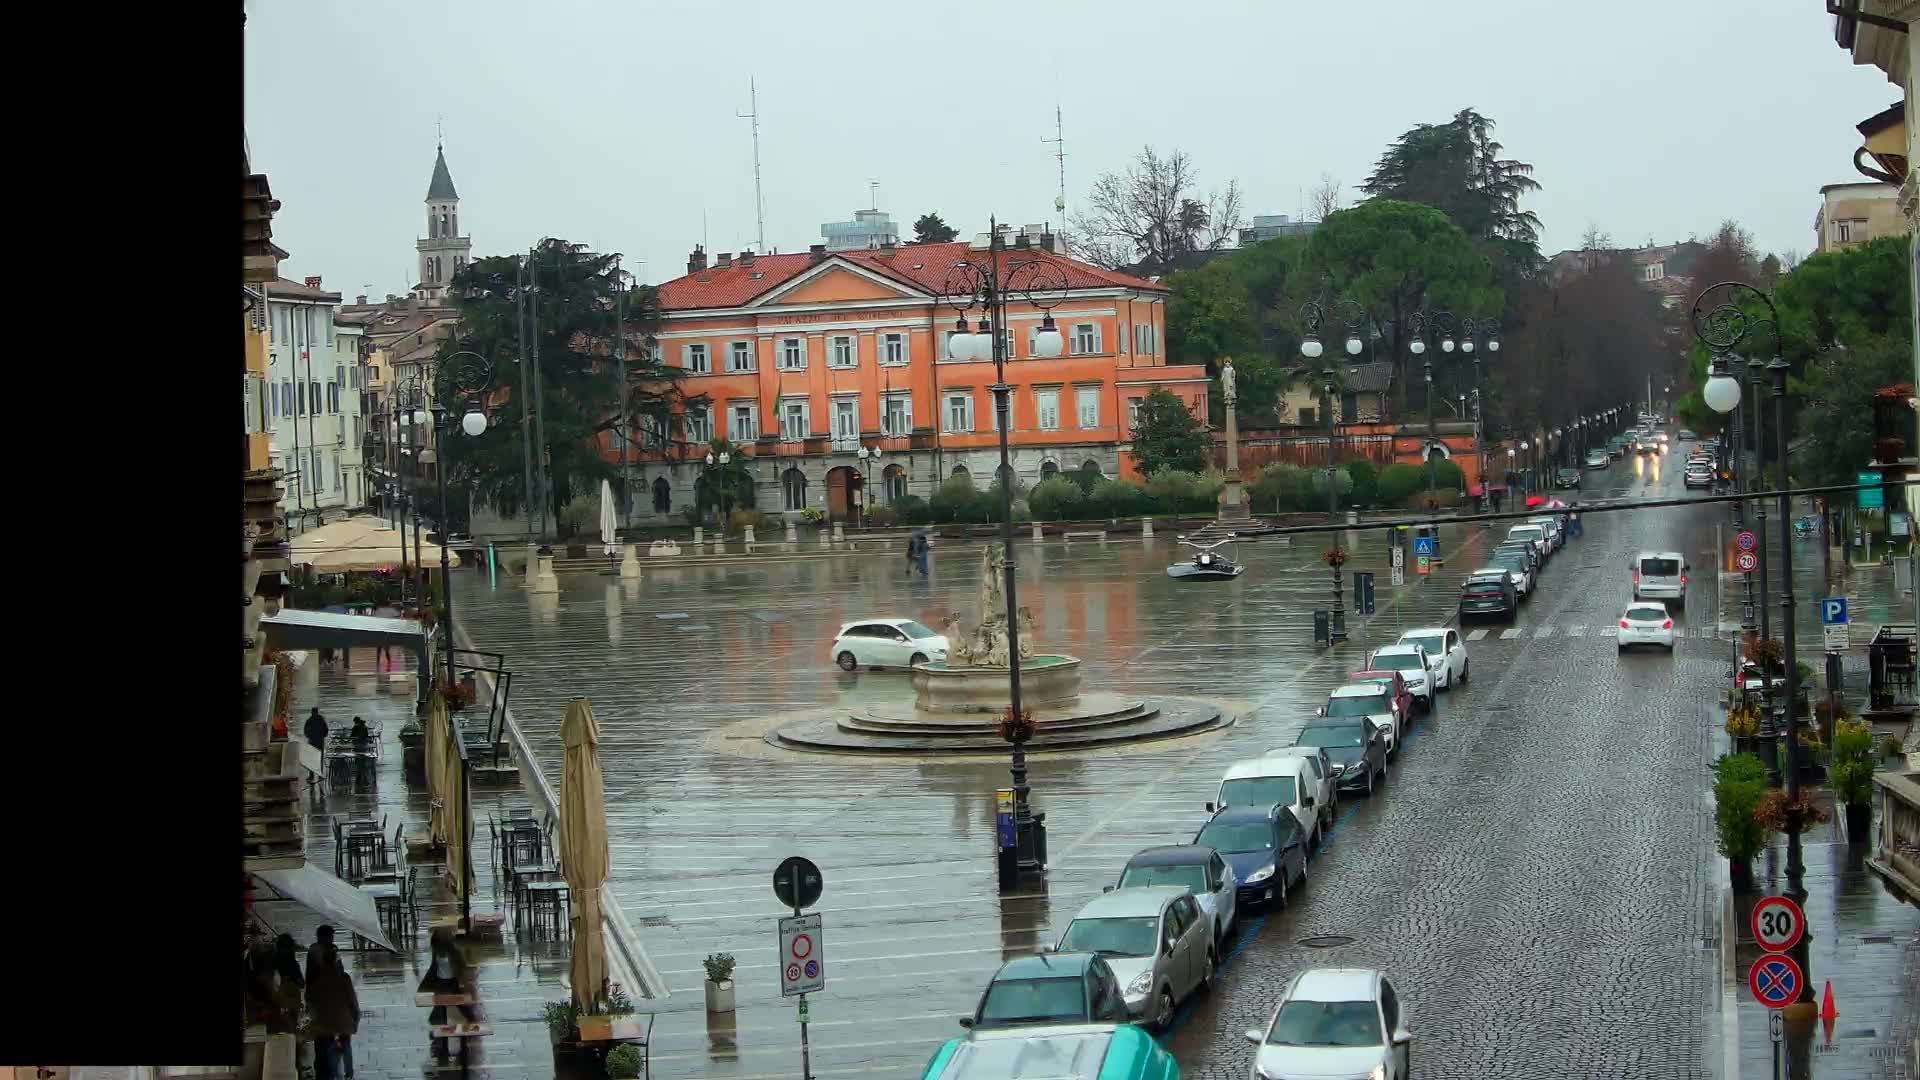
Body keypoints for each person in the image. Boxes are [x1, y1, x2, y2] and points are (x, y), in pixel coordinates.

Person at [305, 926, 361, 1079]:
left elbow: (311, 991)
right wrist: (355, 1017)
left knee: (325, 1045)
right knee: (343, 1042)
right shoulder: (342, 978)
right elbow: (352, 1000)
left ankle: (328, 1072)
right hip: (341, 1017)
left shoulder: (318, 977)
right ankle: (347, 1073)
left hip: (324, 1016)